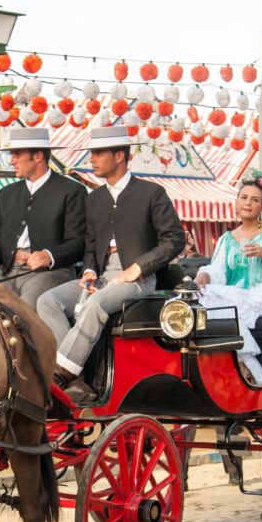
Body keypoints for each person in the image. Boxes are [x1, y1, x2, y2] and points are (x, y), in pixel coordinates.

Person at [38, 126, 184, 400]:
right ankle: (76, 378)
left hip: (140, 279)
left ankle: (61, 374)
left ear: (119, 156)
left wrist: (138, 267)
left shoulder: (152, 193)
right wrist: (89, 271)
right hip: (103, 277)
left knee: (95, 303)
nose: (91, 159)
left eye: (98, 153)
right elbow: (91, 243)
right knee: (47, 301)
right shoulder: (94, 199)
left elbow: (174, 239)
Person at [194, 172, 262, 384]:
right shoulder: (227, 238)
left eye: (255, 200)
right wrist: (204, 275)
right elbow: (217, 270)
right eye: (244, 198)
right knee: (197, 296)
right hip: (236, 294)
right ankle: (244, 361)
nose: (248, 203)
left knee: (221, 305)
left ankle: (250, 368)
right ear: (236, 202)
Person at [0, 127, 87, 309]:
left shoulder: (72, 191)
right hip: (7, 274)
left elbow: (79, 242)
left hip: (51, 273)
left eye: (17, 154)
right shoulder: (6, 194)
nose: (12, 160)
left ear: (38, 156)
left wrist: (48, 255)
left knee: (21, 311)